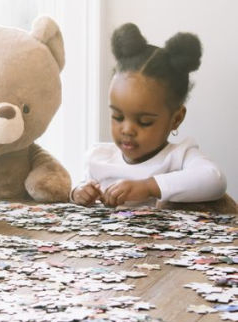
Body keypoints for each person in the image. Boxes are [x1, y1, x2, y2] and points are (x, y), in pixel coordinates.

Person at [71, 23, 227, 208]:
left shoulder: (180, 157)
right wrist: (78, 192)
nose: (127, 129)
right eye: (118, 117)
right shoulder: (99, 157)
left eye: (144, 122)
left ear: (176, 119)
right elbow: (83, 187)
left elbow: (214, 179)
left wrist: (148, 187)